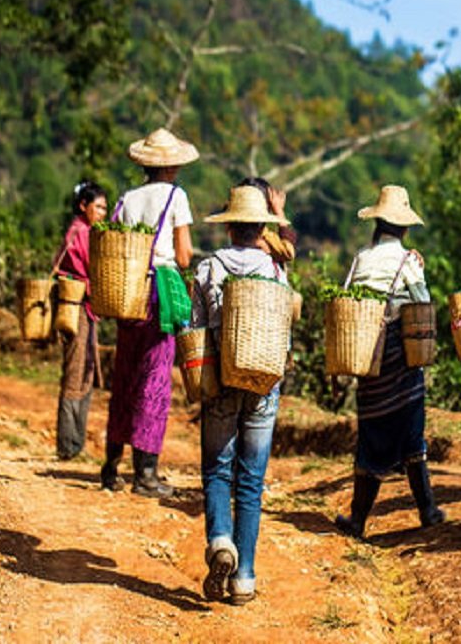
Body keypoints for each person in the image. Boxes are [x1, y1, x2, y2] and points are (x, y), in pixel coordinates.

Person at [192, 184, 289, 605]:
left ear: (230, 226)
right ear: (261, 229)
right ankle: (244, 577)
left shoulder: (208, 269)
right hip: (264, 383)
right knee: (251, 479)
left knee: (217, 467)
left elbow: (195, 332)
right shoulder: (275, 272)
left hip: (223, 381)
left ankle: (219, 541)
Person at [334, 185, 445, 538]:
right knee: (411, 432)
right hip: (401, 357)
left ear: (378, 223)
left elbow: (349, 298)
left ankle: (358, 518)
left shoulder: (360, 259)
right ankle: (427, 509)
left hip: (369, 356)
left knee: (372, 433)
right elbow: (422, 301)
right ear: (405, 228)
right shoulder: (408, 261)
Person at [100, 127, 197, 496]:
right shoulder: (176, 196)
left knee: (124, 374)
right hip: (160, 293)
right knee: (154, 379)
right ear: (172, 166)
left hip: (128, 290)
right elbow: (184, 254)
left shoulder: (127, 198)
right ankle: (146, 473)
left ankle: (111, 466)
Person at [54, 181, 107, 460]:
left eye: (104, 208)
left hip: (85, 309)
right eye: (97, 206)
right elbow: (90, 268)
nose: (101, 212)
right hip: (77, 309)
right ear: (83, 206)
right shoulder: (81, 233)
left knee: (84, 371)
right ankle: (68, 444)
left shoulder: (84, 231)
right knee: (75, 373)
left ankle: (75, 442)